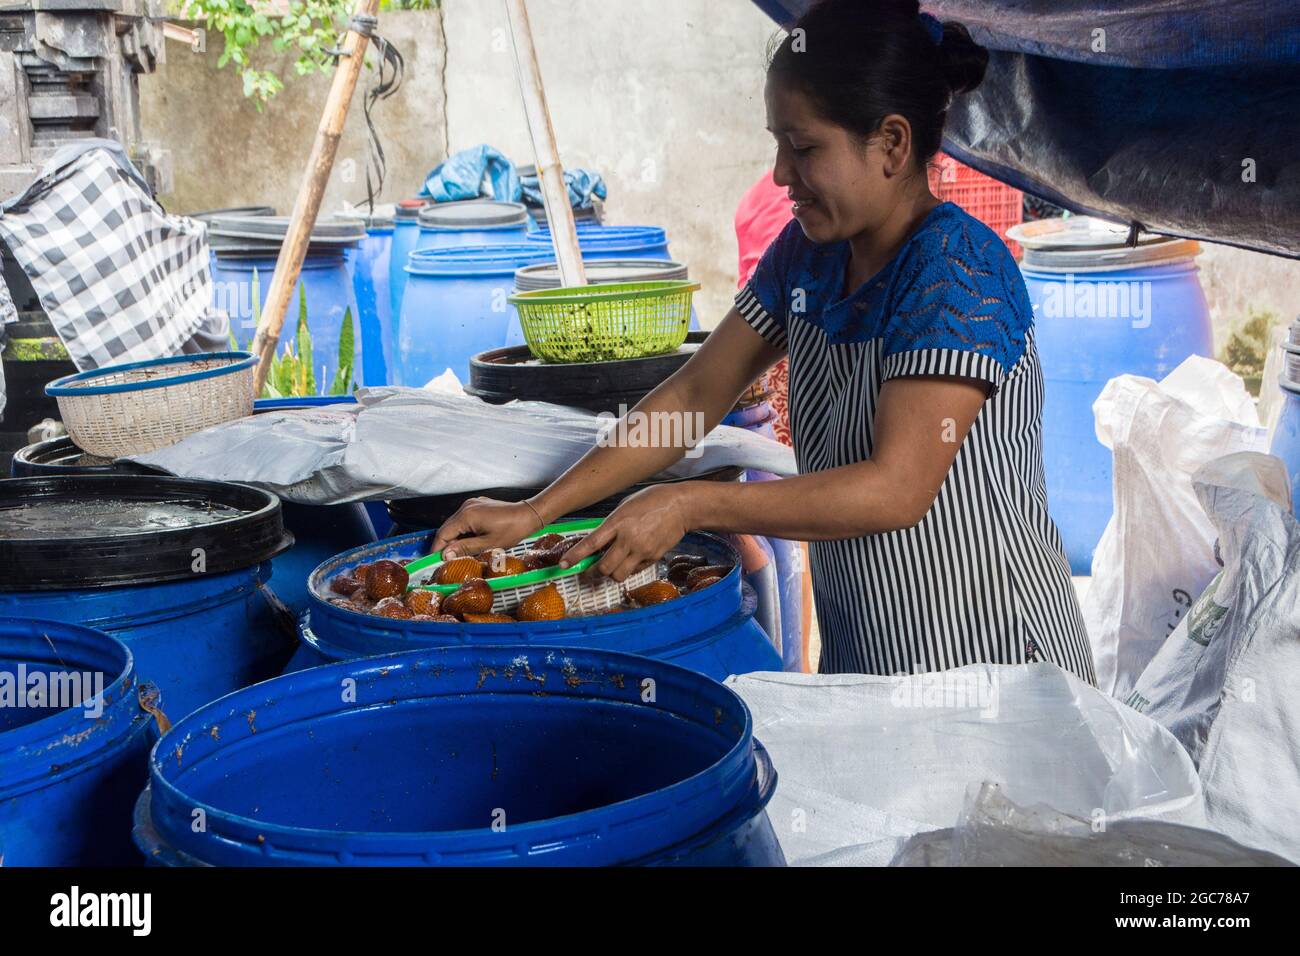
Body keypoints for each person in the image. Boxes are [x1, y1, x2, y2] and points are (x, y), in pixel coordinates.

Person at [432, 0, 1096, 682]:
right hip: (874, 658)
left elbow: (896, 489)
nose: (781, 174)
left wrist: (690, 502)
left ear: (893, 145)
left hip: (995, 668)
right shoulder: (806, 256)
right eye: (778, 143)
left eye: (804, 148)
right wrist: (538, 511)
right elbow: (696, 393)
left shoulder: (956, 270)